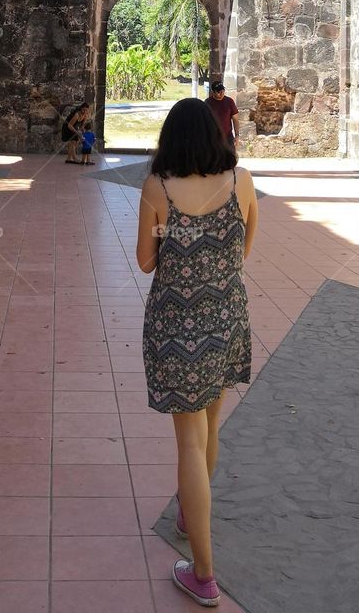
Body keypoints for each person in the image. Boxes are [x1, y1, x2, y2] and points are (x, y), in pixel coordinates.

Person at [137, 99, 258, 607]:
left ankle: (203, 574)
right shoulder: (242, 181)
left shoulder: (157, 188)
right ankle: (193, 509)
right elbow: (245, 247)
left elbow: (146, 261)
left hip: (176, 326)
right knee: (210, 424)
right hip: (226, 319)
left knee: (189, 439)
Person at [206, 80, 239, 152]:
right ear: (213, 92)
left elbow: (235, 119)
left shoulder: (229, 101)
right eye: (218, 92)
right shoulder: (208, 103)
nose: (221, 93)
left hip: (228, 137)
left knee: (230, 159)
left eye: (223, 91)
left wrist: (237, 135)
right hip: (213, 138)